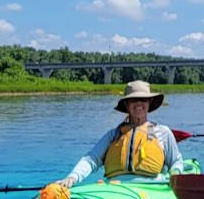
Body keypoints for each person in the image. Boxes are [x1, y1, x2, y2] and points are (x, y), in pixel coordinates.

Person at [55, 80, 183, 188]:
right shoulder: (113, 135)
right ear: (127, 105)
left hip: (152, 187)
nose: (139, 103)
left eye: (143, 99)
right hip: (116, 188)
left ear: (149, 103)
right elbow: (91, 159)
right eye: (133, 100)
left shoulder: (163, 132)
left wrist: (175, 174)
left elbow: (176, 161)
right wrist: (72, 177)